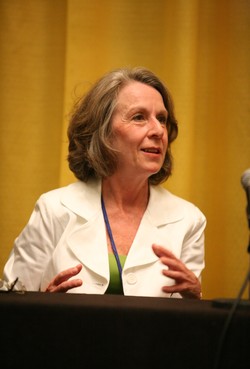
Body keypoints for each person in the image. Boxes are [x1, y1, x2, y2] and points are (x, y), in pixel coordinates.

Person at [3, 67, 206, 299]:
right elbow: (11, 307)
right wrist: (43, 305)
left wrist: (196, 296)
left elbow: (186, 324)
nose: (159, 130)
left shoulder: (189, 220)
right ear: (103, 132)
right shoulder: (54, 208)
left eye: (162, 119)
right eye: (139, 117)